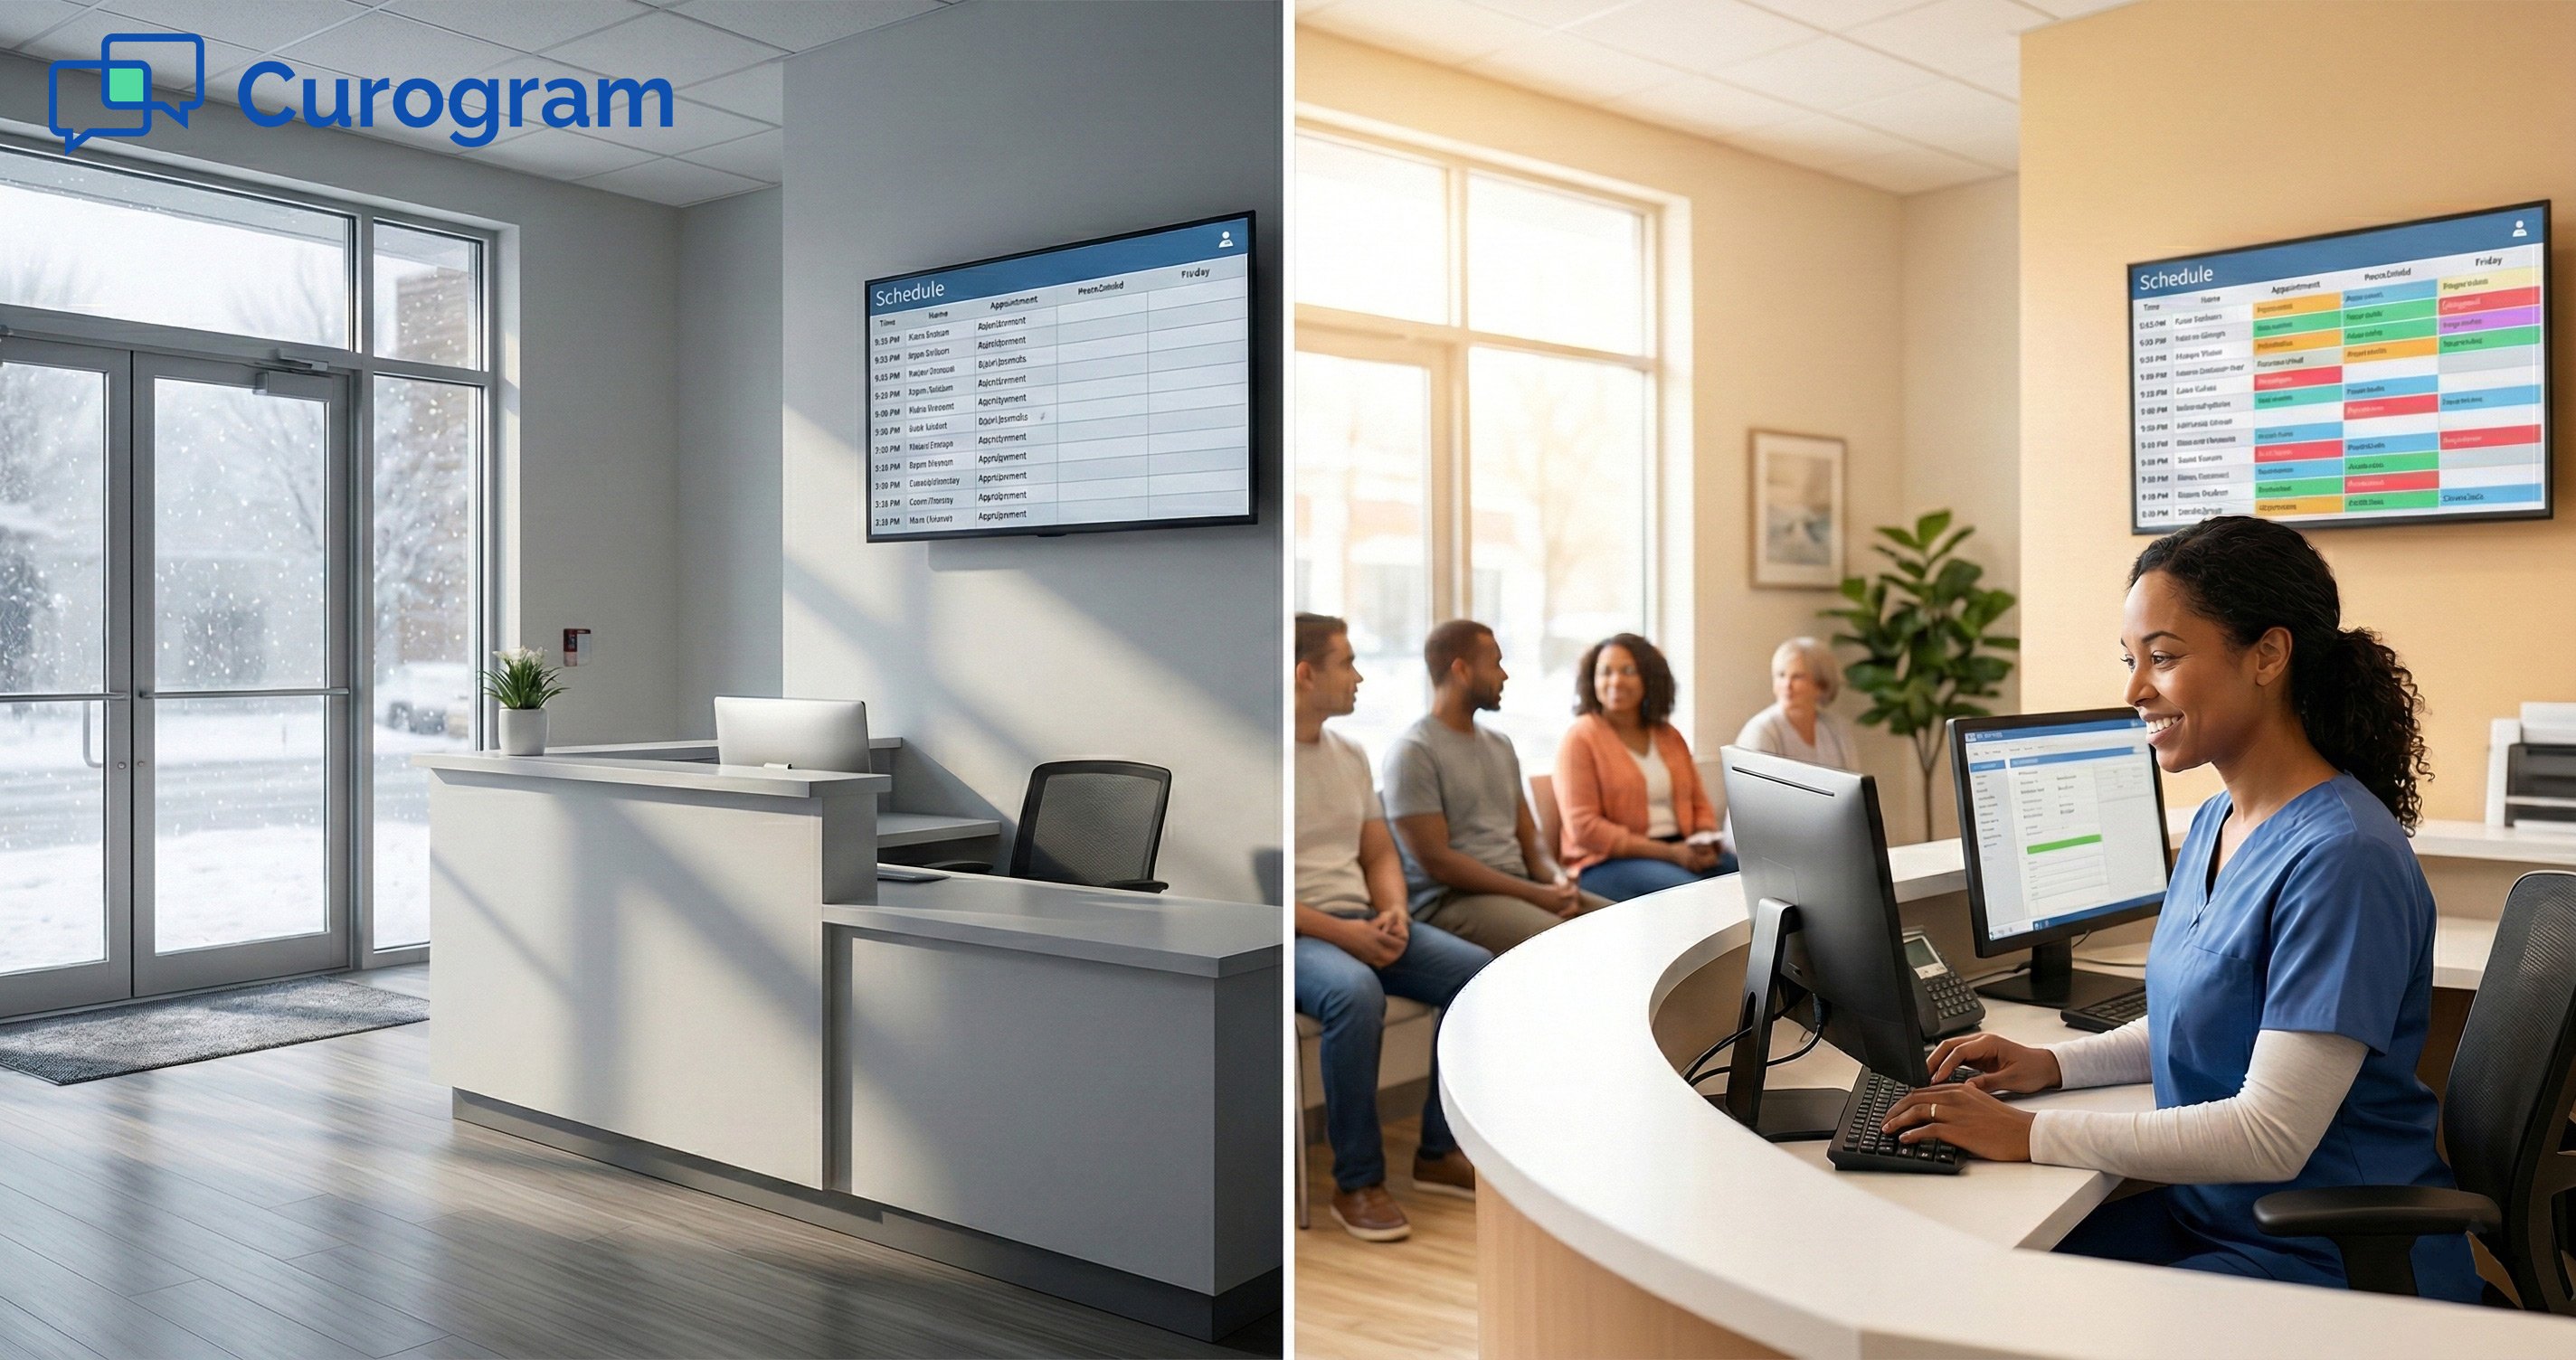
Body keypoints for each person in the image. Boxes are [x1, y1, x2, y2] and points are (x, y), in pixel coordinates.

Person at [1875, 515, 2482, 1303]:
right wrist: (2052, 1065)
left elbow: (2268, 1132)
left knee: (2007, 1308)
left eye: (2162, 658)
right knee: (1966, 1279)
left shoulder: (2343, 859)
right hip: (2219, 1218)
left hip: (2328, 1260)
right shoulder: (2213, 823)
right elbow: (2204, 1018)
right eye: (2131, 661)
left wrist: (2029, 1134)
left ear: (2268, 654)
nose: (2133, 691)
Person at [1293, 613, 1489, 1242]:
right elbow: (1257, 895)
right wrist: (1345, 935)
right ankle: (1356, 1184)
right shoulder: (1257, 763)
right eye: (1346, 662)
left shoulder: (1349, 754)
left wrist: (1394, 909)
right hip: (1293, 935)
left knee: (1480, 975)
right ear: (1305, 674)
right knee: (1355, 993)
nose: (1358, 676)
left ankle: (1438, 1151)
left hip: (1360, 921)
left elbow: (1379, 852)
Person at [1382, 620, 1607, 954]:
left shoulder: (1500, 745)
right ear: (1461, 670)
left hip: (1520, 887)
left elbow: (1528, 834)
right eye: (1495, 664)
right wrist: (1535, 894)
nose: (1504, 676)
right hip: (1452, 901)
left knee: (1625, 924)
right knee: (1568, 944)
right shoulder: (1414, 751)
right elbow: (1437, 862)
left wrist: (1556, 880)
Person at [1552, 633, 1732, 902]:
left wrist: (1704, 840)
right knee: (1694, 896)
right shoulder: (1580, 738)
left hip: (1679, 848)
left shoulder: (1669, 735)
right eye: (1605, 672)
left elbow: (1698, 802)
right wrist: (1669, 853)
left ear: (1649, 678)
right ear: (1592, 680)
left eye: (1628, 671)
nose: (1615, 681)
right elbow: (1585, 828)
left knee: (1750, 880)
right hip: (1605, 863)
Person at [1736, 637, 1859, 770]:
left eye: (1798, 677)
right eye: (1781, 675)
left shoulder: (1837, 730)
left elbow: (1854, 785)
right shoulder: (1762, 731)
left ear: (1821, 684)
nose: (1787, 685)